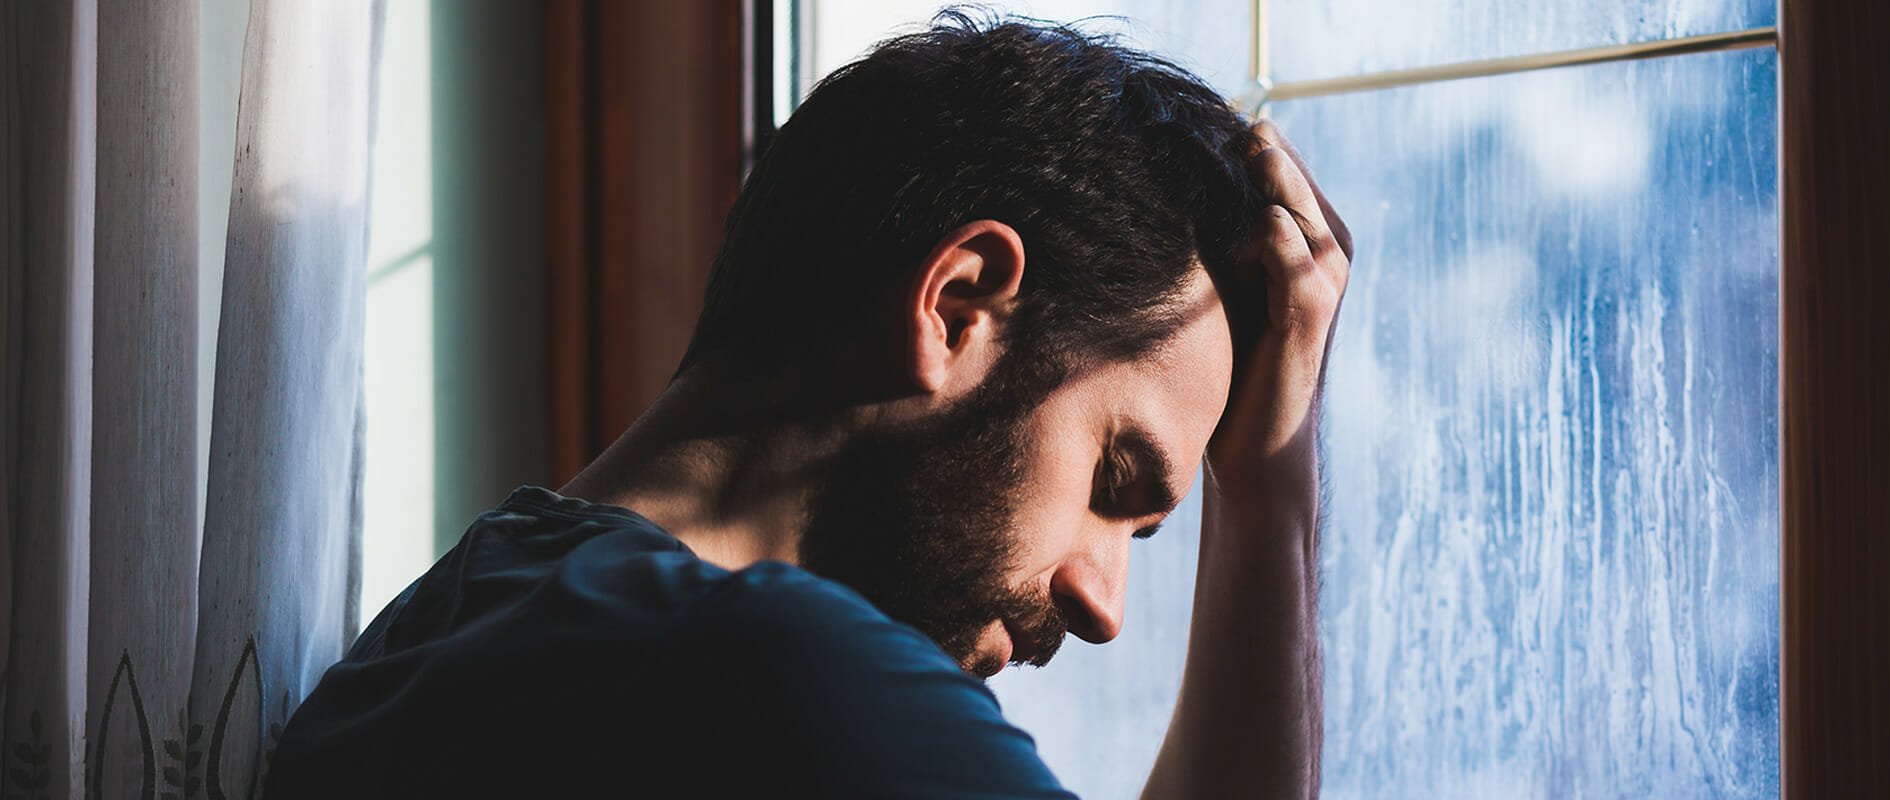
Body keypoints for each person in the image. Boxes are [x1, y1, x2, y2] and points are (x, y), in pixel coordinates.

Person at [266, 10, 1351, 798]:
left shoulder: (451, 623)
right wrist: (1273, 492)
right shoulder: (780, 678)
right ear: (959, 305)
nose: (1102, 601)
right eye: (1113, 481)